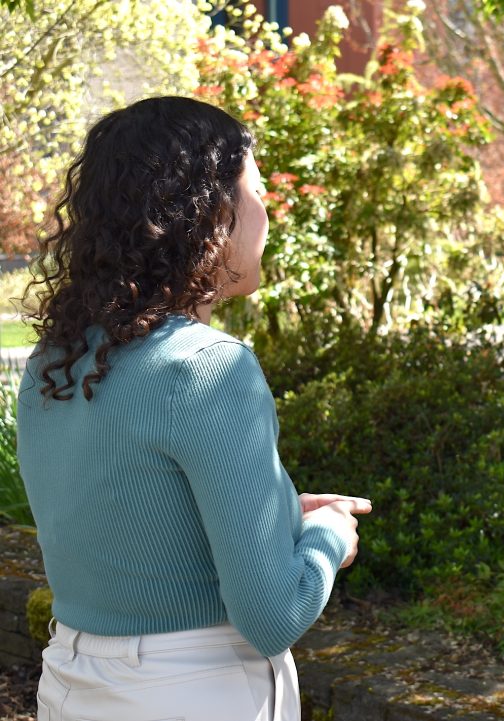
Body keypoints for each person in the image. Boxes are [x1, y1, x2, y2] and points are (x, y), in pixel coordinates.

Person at [17, 96, 371, 721]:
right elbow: (271, 617)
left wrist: (282, 509)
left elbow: (128, 525)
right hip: (199, 695)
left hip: (71, 686)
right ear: (211, 212)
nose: (268, 212)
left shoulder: (56, 361)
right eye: (256, 190)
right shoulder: (211, 368)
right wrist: (324, 536)